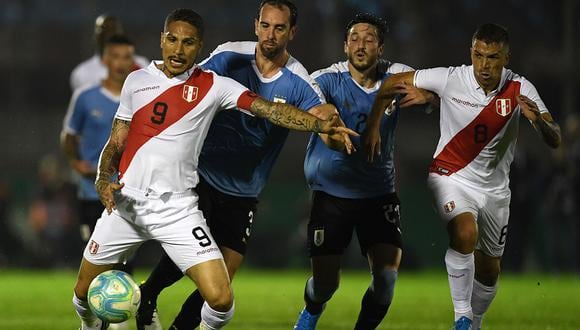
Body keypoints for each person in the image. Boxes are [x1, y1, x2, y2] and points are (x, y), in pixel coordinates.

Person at [71, 8, 355, 330]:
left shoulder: (216, 86)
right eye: (173, 40)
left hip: (177, 209)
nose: (179, 50)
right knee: (82, 295)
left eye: (188, 43)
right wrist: (103, 178)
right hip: (127, 205)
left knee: (221, 300)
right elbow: (116, 140)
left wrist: (320, 126)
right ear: (162, 40)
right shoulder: (136, 81)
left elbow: (268, 111)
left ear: (200, 47)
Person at [363, 23, 561, 330]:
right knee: (465, 233)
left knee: (489, 270)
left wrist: (539, 122)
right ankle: (462, 318)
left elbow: (555, 139)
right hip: (449, 175)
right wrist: (374, 125)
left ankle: (475, 322)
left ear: (506, 57)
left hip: (495, 190)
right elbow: (392, 83)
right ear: (471, 53)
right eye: (478, 55)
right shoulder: (451, 77)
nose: (484, 64)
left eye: (493, 57)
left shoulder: (520, 89)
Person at [293, 13, 435, 330]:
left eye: (369, 39)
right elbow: (310, 106)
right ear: (345, 46)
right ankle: (310, 312)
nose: (361, 44)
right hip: (332, 194)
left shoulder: (397, 75)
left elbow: (440, 88)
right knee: (326, 284)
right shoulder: (326, 79)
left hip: (379, 194)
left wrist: (428, 96)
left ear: (380, 47)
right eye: (354, 38)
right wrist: (327, 128)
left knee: (386, 280)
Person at [62, 34, 136, 245]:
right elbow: (69, 134)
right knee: (94, 251)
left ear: (133, 60)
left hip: (127, 188)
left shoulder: (141, 96)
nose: (121, 63)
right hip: (91, 189)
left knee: (124, 257)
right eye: (116, 56)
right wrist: (75, 162)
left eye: (126, 57)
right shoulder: (85, 96)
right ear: (105, 60)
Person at [70, 14, 149, 91]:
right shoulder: (82, 73)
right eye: (103, 30)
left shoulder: (142, 65)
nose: (108, 34)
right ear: (95, 36)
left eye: (113, 30)